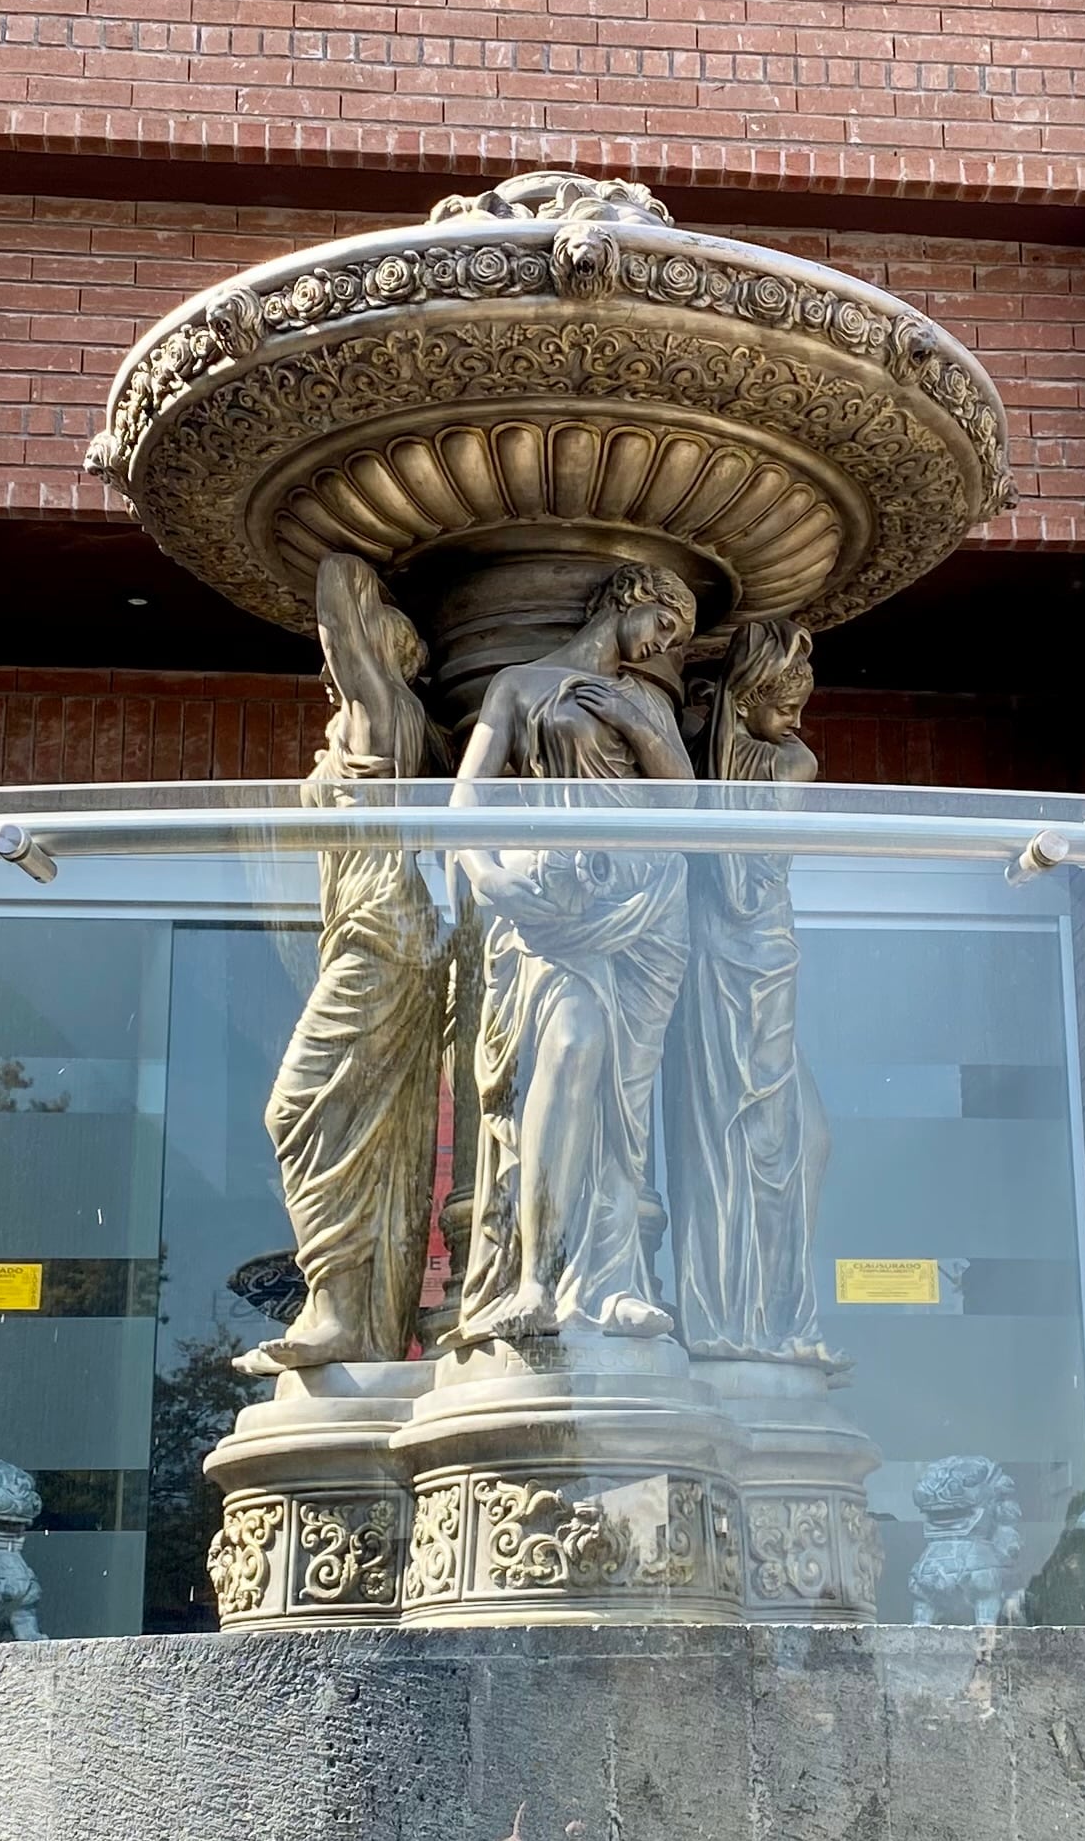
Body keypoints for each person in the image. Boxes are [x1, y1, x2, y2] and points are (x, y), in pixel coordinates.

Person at [447, 558, 700, 1346]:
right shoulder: (520, 687)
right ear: (629, 598)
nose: (664, 642)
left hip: (645, 911)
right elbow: (465, 798)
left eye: (678, 637)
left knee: (625, 1103)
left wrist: (628, 718)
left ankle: (614, 1281)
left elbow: (686, 796)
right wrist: (486, 879)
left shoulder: (643, 700)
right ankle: (535, 1276)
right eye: (663, 621)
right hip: (555, 910)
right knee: (570, 1051)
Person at [245, 553, 449, 1372]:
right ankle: (354, 1314)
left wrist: (339, 556)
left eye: (347, 658)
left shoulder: (386, 717)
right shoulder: (364, 728)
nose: (333, 675)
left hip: (383, 941)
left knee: (298, 1110)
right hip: (371, 938)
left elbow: (334, 589)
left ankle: (338, 1303)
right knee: (369, 1130)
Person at [670, 618, 838, 1366]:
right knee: (736, 1136)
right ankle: (738, 1317)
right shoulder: (745, 768)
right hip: (730, 959)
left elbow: (738, 875)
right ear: (746, 701)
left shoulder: (780, 763)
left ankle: (773, 1311)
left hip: (761, 954)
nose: (799, 720)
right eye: (785, 700)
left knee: (796, 1139)